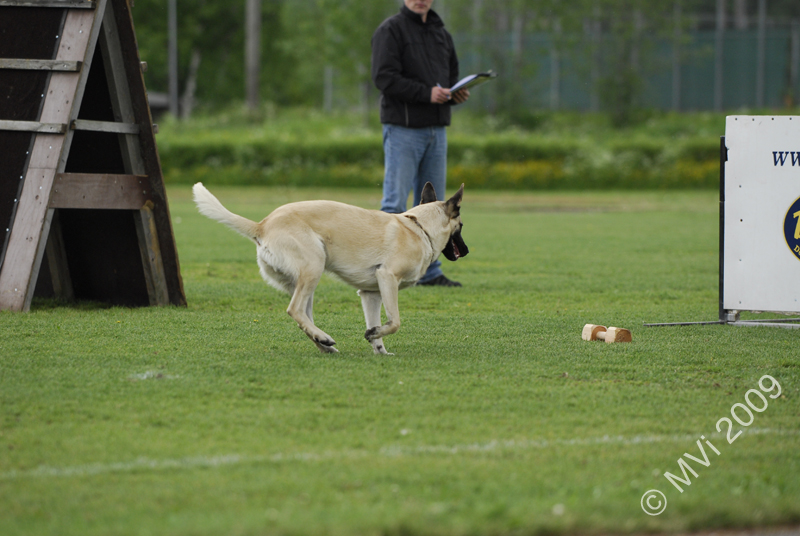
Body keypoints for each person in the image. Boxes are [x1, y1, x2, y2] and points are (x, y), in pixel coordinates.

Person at [371, 0, 469, 287]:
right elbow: (384, 78)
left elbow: (451, 80)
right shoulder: (390, 30)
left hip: (436, 129)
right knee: (394, 201)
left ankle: (430, 272)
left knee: (434, 206)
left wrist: (455, 93)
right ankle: (385, 268)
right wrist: (427, 93)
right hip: (402, 127)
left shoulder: (441, 34)